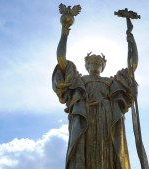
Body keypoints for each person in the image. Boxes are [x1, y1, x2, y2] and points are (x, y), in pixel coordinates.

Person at [52, 14, 138, 169]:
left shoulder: (111, 82)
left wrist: (131, 40)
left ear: (103, 66)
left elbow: (132, 67)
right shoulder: (79, 80)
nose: (96, 64)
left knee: (108, 153)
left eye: (99, 62)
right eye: (92, 62)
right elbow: (61, 59)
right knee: (84, 151)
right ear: (86, 65)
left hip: (107, 118)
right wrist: (64, 33)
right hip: (86, 117)